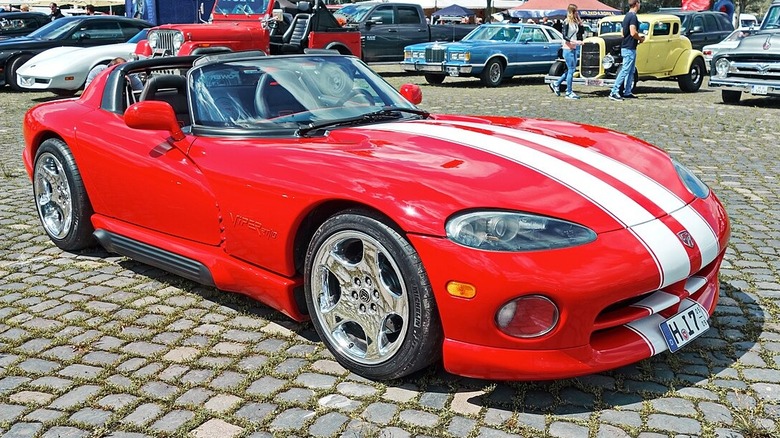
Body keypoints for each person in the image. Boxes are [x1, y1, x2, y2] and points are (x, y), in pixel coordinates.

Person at [609, 0, 644, 101]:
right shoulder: (633, 17)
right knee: (625, 70)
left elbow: (623, 33)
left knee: (631, 71)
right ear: (636, 3)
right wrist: (640, 39)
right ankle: (614, 91)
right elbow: (633, 32)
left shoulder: (626, 16)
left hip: (627, 46)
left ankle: (627, 91)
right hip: (629, 48)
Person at [550, 4, 584, 100]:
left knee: (571, 70)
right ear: (572, 12)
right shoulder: (566, 22)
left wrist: (580, 21)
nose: (577, 12)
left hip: (573, 48)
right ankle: (569, 92)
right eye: (576, 11)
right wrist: (575, 42)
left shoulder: (575, 22)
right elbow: (564, 36)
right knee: (570, 70)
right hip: (567, 48)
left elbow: (581, 31)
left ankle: (556, 83)